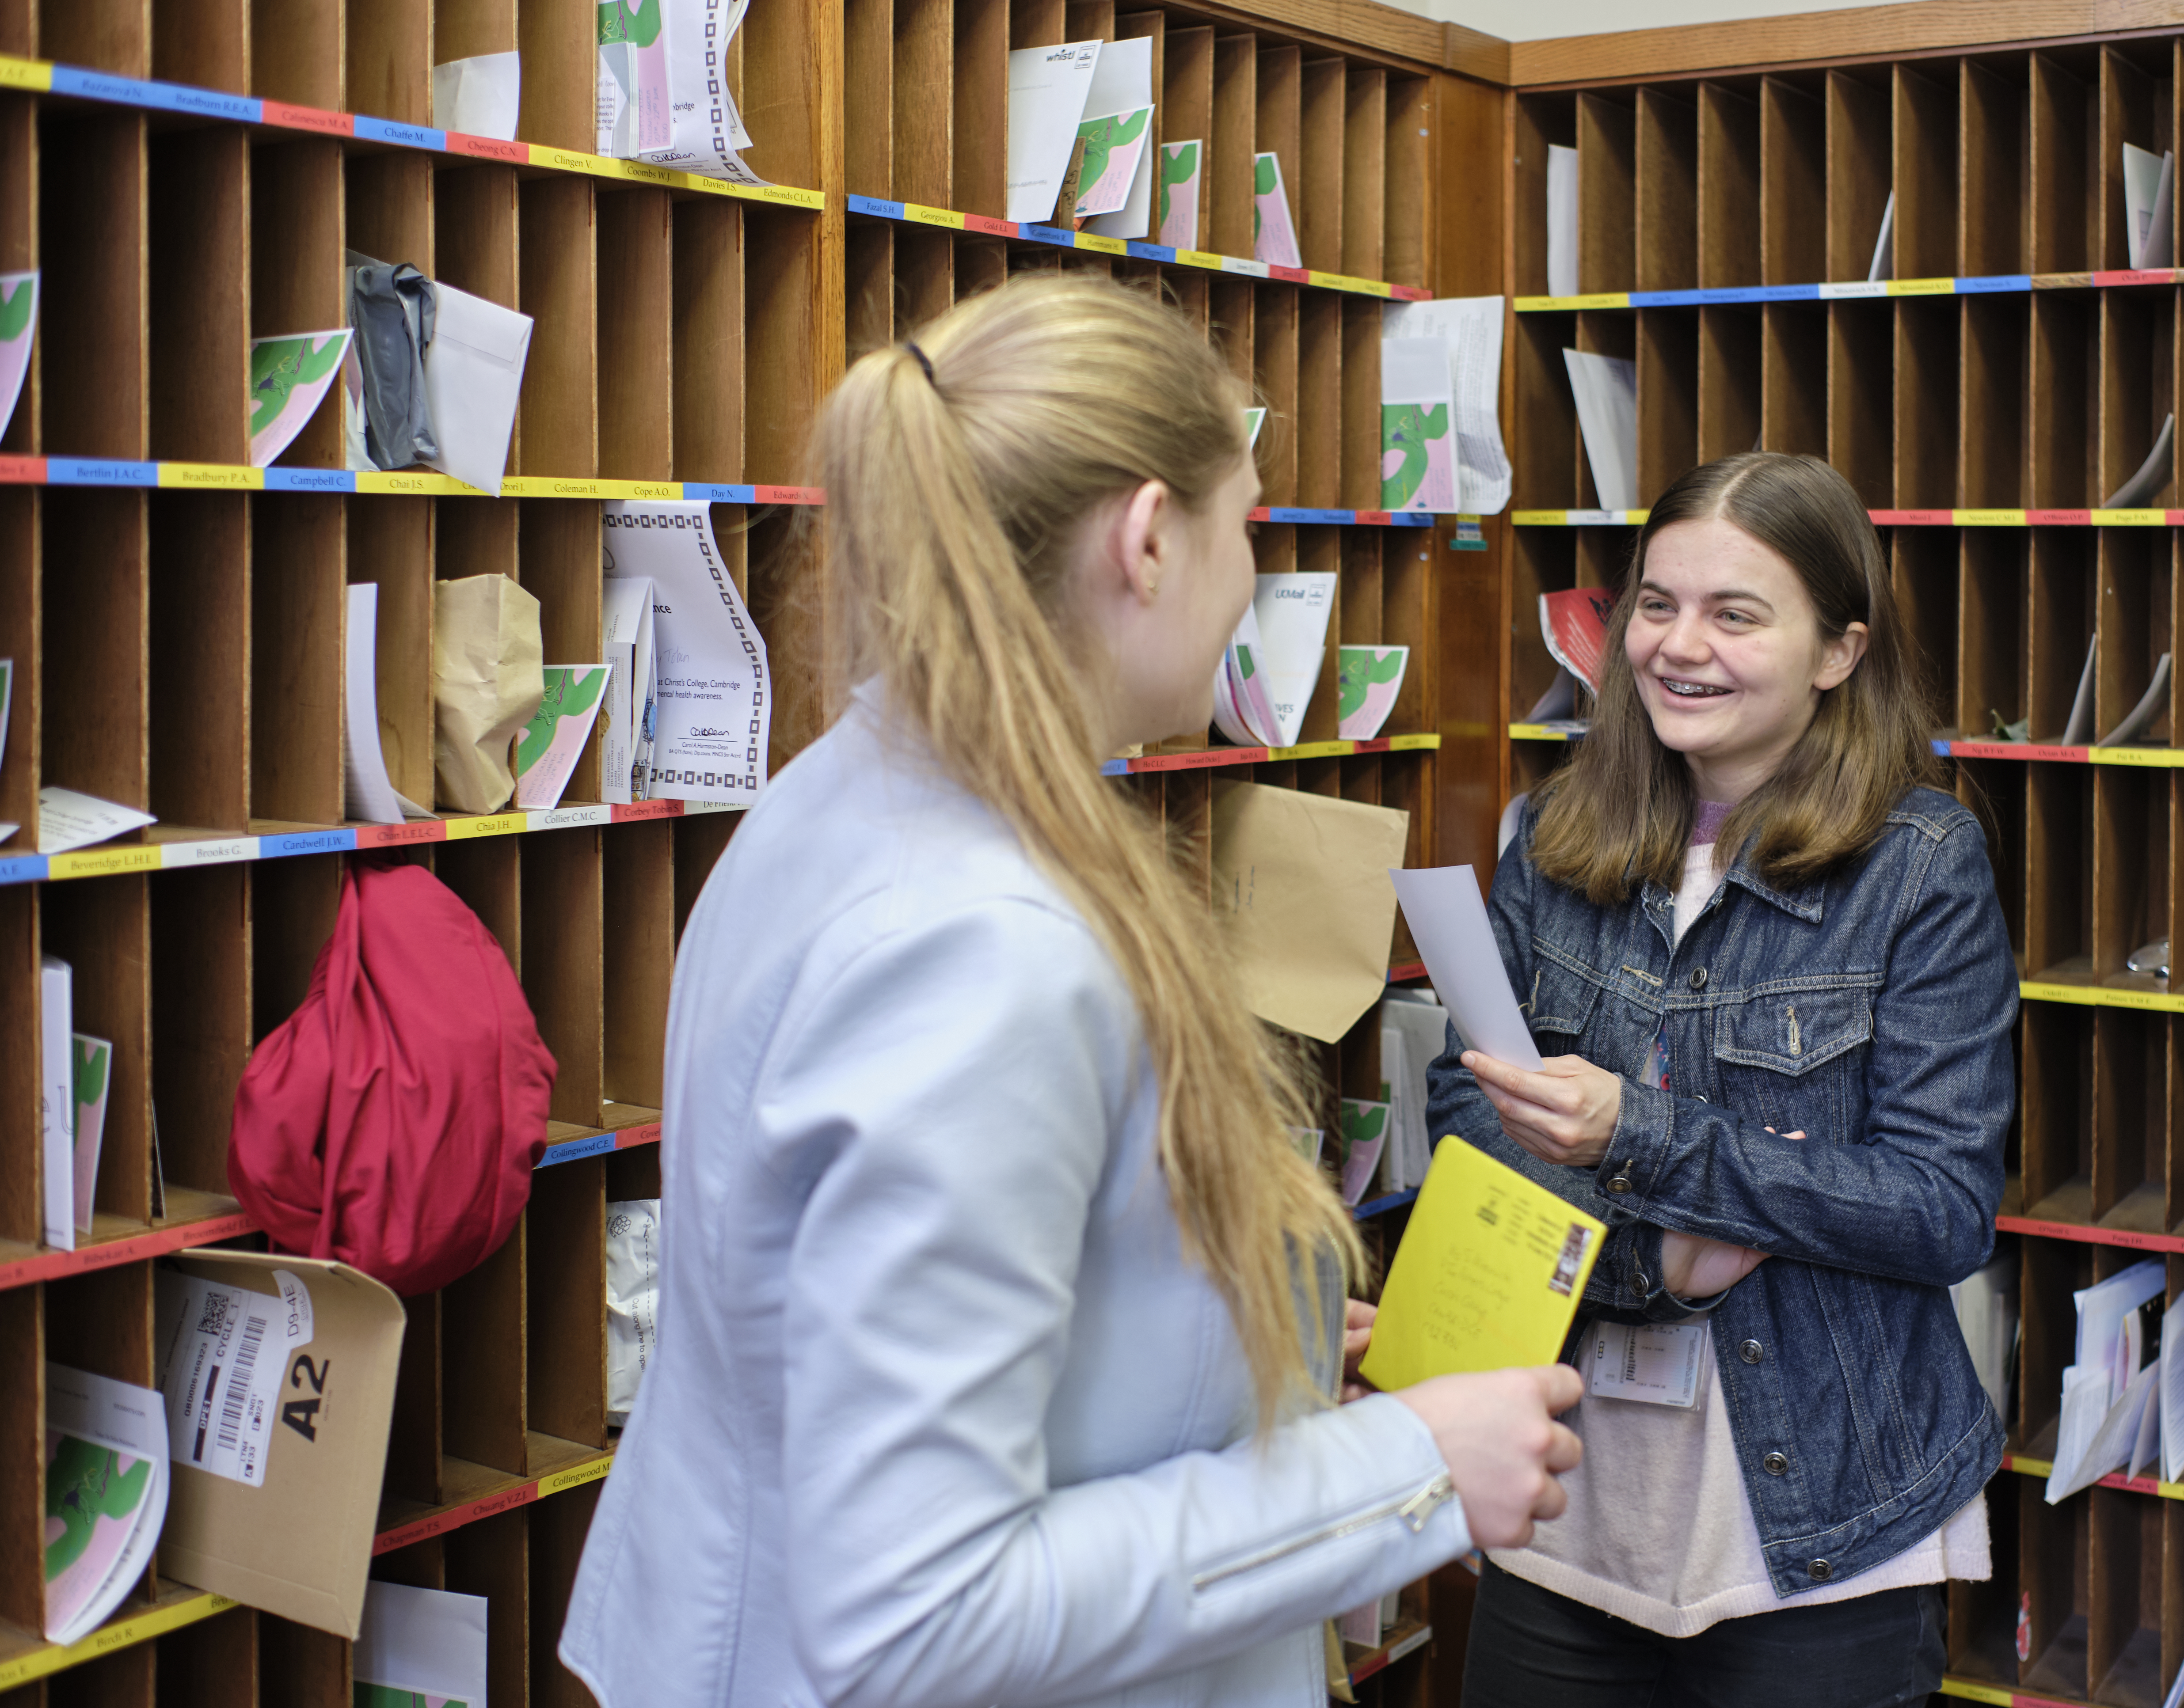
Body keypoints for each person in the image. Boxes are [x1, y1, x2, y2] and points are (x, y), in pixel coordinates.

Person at [560, 278, 1584, 1708]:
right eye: (1251, 522)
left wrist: (1248, 1343)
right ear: (1150, 538)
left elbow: (900, 1312)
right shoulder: (985, 946)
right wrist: (1406, 1469)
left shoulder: (846, 795)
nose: (1251, 579)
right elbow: (917, 1613)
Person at [1428, 454, 2015, 1706]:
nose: (1677, 646)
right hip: (1563, 1499)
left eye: (1734, 613)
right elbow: (1469, 1118)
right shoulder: (1554, 835)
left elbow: (1940, 1205)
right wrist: (1661, 1261)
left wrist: (1643, 1136)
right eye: (1654, 602)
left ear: (1838, 652)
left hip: (1822, 1532)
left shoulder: (1922, 865)